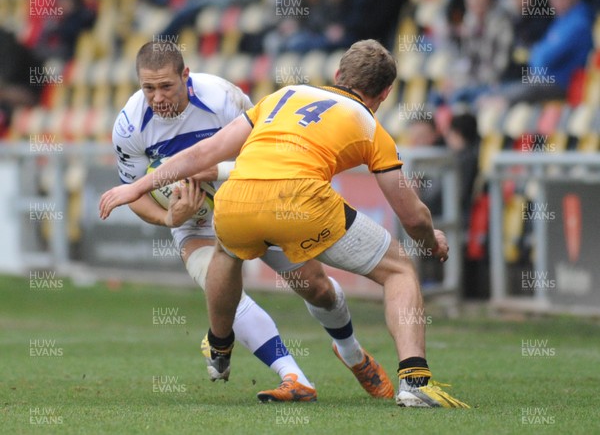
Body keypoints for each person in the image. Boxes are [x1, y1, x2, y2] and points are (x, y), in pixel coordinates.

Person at [100, 40, 470, 408]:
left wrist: (138, 186)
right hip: (284, 204)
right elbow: (411, 214)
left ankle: (229, 344)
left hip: (235, 197)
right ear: (386, 92)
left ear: (338, 74)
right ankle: (410, 381)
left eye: (165, 86)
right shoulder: (371, 127)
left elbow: (205, 154)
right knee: (399, 269)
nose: (158, 96)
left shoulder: (277, 94)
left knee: (303, 283)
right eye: (149, 88)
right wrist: (430, 240)